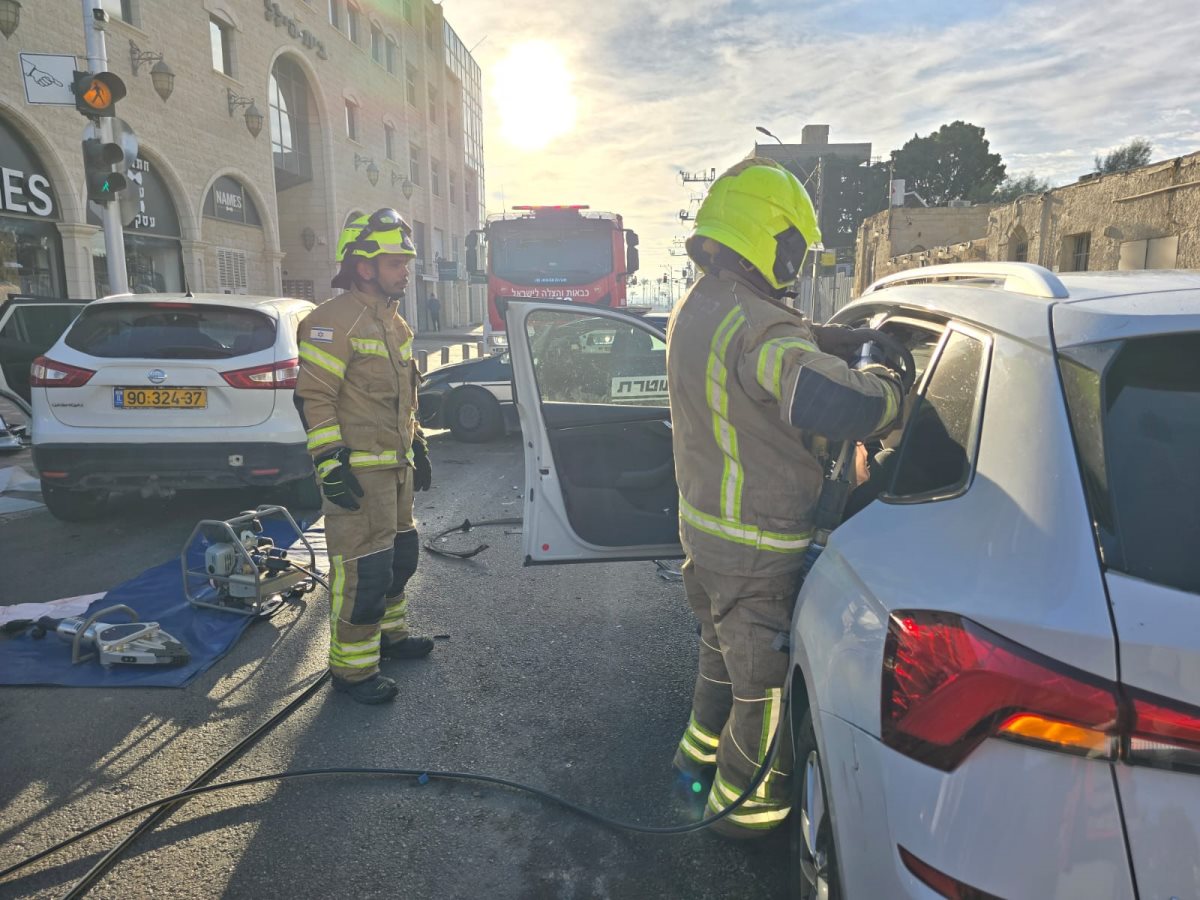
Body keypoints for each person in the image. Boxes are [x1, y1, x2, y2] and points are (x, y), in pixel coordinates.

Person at [666, 159, 905, 837]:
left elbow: (770, 344)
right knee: (761, 688)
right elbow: (818, 393)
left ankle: (693, 765)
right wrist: (893, 395)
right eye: (795, 249)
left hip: (709, 538)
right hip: (756, 547)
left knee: (719, 654)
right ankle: (742, 818)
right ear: (772, 242)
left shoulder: (703, 303)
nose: (796, 265)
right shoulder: (757, 326)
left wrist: (832, 337)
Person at [295, 208, 436, 705]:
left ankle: (389, 639)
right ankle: (352, 671)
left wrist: (416, 441)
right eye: (396, 262)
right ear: (364, 267)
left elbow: (403, 397)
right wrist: (330, 462)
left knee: (400, 560)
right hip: (357, 477)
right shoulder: (330, 322)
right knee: (362, 572)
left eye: (405, 262)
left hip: (395, 471)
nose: (405, 271)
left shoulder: (396, 326)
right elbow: (314, 398)